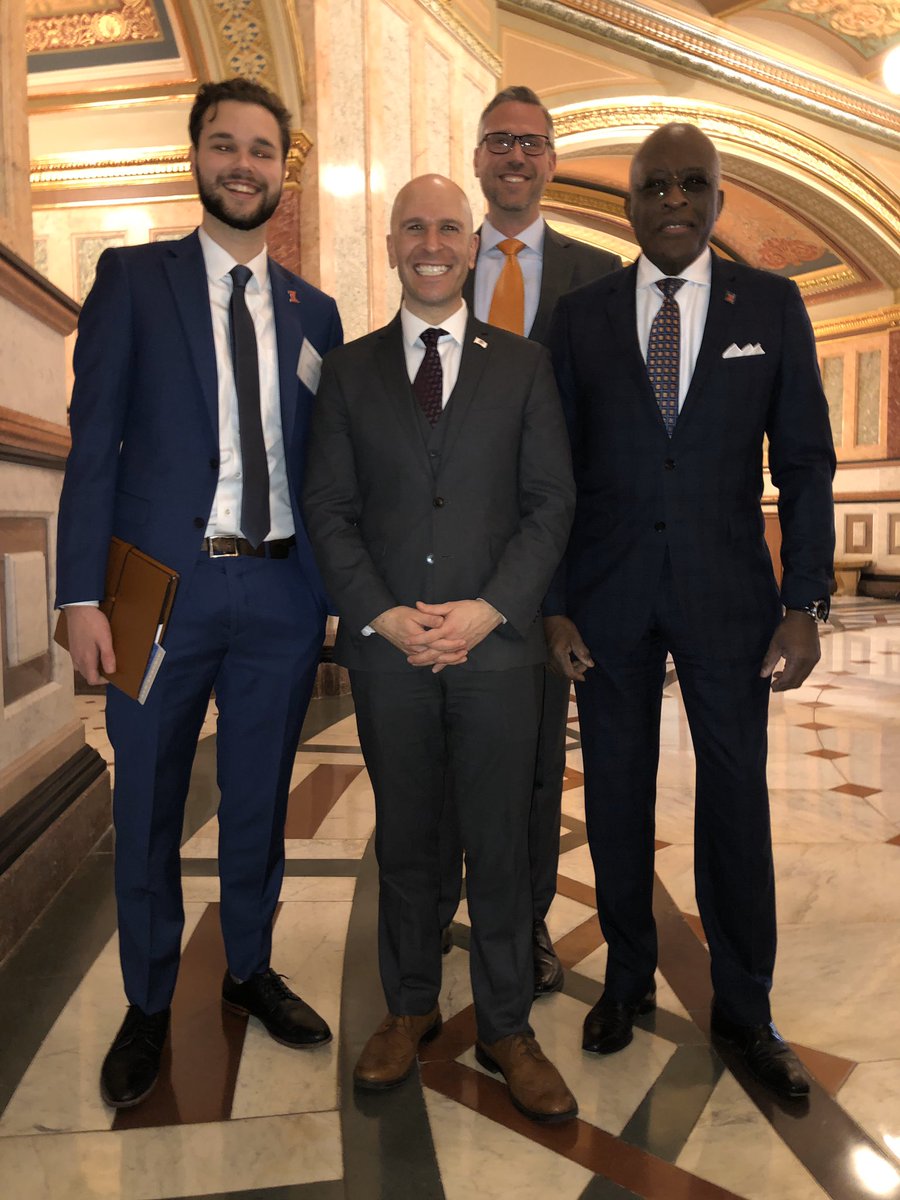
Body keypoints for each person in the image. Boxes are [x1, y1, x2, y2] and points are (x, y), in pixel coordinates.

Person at [55, 77, 343, 1109]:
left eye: (261, 150)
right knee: (147, 800)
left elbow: (324, 469)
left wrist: (336, 589)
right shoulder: (133, 279)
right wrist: (79, 596)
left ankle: (252, 967)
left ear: (282, 170)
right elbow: (93, 450)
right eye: (225, 145)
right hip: (150, 591)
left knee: (261, 798)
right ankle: (146, 996)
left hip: (278, 592)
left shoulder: (318, 310)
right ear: (197, 157)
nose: (243, 164)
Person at [546, 123, 835, 1100]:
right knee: (617, 798)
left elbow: (803, 466)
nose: (674, 200)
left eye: (693, 185)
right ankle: (627, 978)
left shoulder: (775, 305)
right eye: (655, 185)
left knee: (735, 802)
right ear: (629, 203)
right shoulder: (578, 317)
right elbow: (549, 477)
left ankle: (746, 1010)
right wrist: (552, 604)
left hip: (730, 603)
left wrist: (805, 602)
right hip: (609, 600)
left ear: (717, 200)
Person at [303, 174, 577, 1123]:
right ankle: (409, 1006)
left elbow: (550, 506)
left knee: (501, 845)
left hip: (498, 657)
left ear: (472, 248)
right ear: (391, 247)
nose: (431, 241)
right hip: (390, 658)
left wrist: (489, 610)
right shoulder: (348, 371)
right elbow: (329, 511)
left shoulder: (526, 367)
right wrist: (380, 614)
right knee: (410, 841)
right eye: (413, 227)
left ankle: (508, 1025)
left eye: (448, 228)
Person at [432, 86, 620, 996]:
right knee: (433, 754)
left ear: (552, 161)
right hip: (443, 557)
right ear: (477, 158)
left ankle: (528, 922)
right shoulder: (437, 266)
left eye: (533, 143)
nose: (516, 156)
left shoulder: (599, 277)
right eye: (499, 141)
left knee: (541, 767)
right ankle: (427, 911)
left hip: (552, 571)